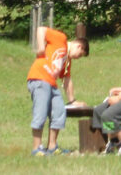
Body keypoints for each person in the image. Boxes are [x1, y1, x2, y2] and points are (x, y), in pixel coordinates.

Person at [26, 26, 89, 156]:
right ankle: (36, 148)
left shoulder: (67, 61)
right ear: (79, 46)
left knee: (59, 111)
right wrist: (41, 47)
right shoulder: (61, 39)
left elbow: (66, 79)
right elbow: (40, 30)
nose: (78, 57)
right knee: (41, 113)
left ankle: (52, 147)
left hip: (51, 84)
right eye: (80, 54)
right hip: (39, 78)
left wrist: (73, 101)